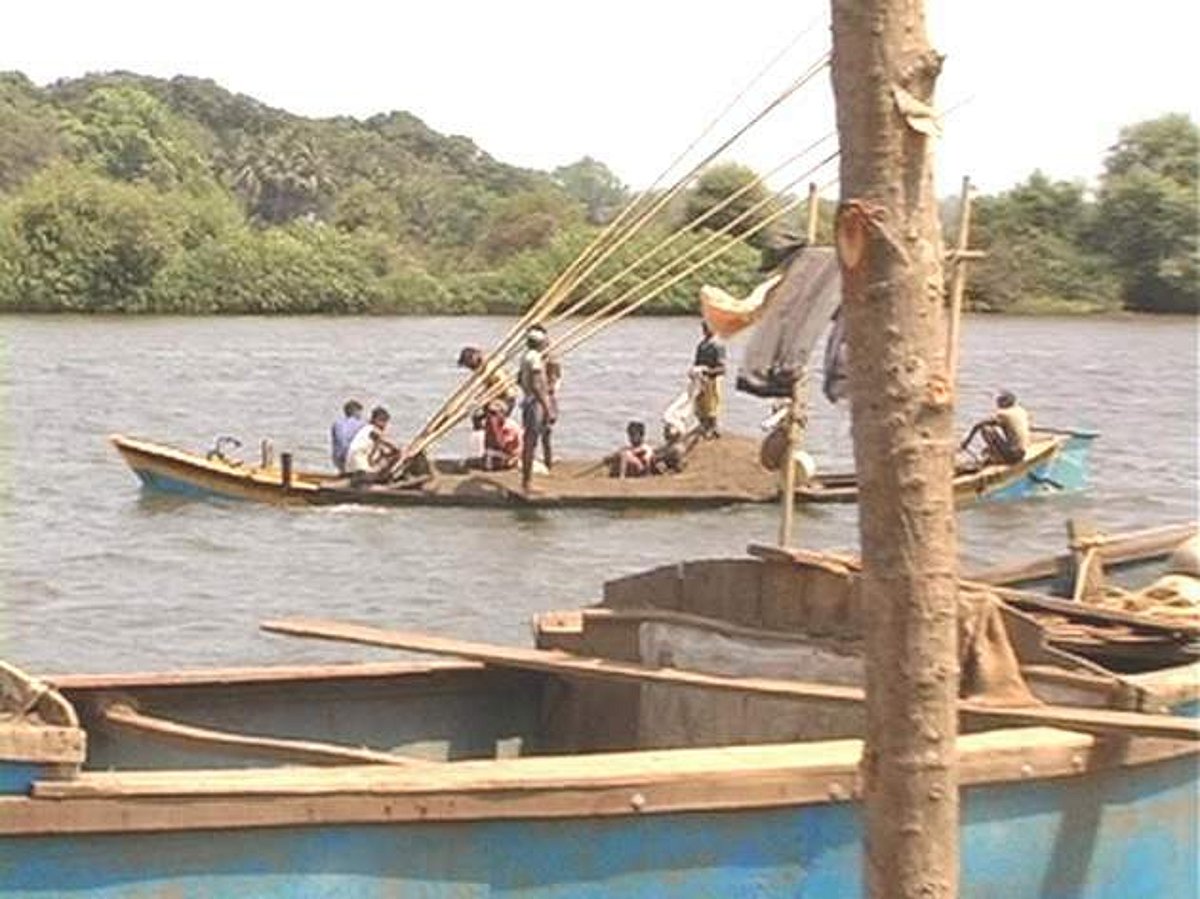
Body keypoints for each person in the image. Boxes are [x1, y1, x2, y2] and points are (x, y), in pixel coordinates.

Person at [518, 326, 556, 492]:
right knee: (531, 442)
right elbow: (536, 384)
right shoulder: (534, 359)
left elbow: (519, 379)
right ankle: (527, 482)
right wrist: (547, 407)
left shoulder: (527, 356)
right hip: (535, 403)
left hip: (529, 401)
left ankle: (528, 480)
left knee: (531, 441)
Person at [960, 391, 1030, 465]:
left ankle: (999, 459)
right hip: (1023, 452)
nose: (997, 404)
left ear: (1005, 402)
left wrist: (966, 443)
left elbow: (979, 425)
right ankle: (994, 454)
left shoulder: (1003, 414)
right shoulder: (1021, 410)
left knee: (986, 429)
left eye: (999, 401)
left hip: (1013, 455)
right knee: (989, 446)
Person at [345, 406, 402, 486]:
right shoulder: (373, 430)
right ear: (374, 420)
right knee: (390, 458)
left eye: (385, 421)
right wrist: (399, 451)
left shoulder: (366, 430)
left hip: (353, 466)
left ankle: (374, 477)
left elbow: (383, 450)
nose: (384, 424)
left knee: (385, 458)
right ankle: (375, 480)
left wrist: (389, 453)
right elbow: (388, 443)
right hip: (358, 467)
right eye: (382, 421)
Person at [457, 346, 518, 416]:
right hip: (499, 396)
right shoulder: (482, 368)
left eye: (468, 364)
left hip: (506, 398)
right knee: (477, 413)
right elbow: (489, 385)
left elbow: (504, 386)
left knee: (481, 413)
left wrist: (485, 399)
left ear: (473, 358)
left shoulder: (489, 368)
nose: (469, 368)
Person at [692, 320, 726, 439]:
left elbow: (722, 368)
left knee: (711, 406)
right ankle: (704, 426)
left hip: (713, 379)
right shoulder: (701, 345)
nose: (705, 330)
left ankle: (712, 429)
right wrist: (694, 372)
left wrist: (708, 372)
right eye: (704, 327)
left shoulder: (717, 345)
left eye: (708, 327)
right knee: (699, 404)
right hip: (701, 379)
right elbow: (696, 363)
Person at [330, 400, 366, 473]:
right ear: (356, 412)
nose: (361, 415)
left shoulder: (337, 423)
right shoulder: (362, 424)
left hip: (337, 459)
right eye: (360, 412)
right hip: (353, 459)